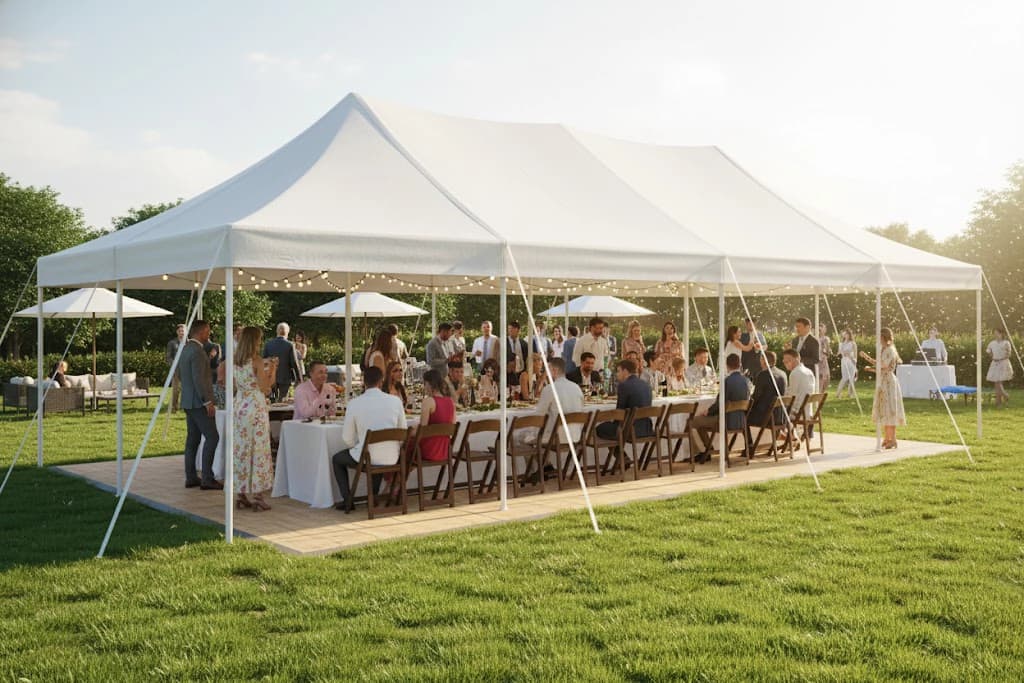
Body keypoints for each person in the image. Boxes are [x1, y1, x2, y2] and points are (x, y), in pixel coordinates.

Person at [331, 366, 407, 511]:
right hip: (392, 456)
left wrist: (357, 447)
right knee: (373, 455)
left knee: (337, 459)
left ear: (363, 382)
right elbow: (402, 432)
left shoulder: (354, 403)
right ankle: (373, 497)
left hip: (369, 456)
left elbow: (347, 438)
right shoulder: (395, 401)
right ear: (381, 381)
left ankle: (348, 500)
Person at [233, 326, 275, 510]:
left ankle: (241, 493)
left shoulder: (235, 360)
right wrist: (272, 369)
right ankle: (258, 496)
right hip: (255, 406)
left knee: (242, 449)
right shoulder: (256, 360)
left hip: (240, 404)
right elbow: (265, 387)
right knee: (259, 450)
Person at [180, 320, 221, 490]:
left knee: (193, 439)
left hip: (188, 400)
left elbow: (180, 374)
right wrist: (207, 401)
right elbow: (199, 379)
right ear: (201, 331)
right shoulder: (197, 351)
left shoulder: (185, 349)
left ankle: (191, 476)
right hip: (199, 402)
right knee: (212, 437)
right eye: (207, 331)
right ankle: (207, 478)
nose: (209, 334)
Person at [689, 353, 751, 463]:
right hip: (741, 421)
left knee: (693, 421)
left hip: (725, 421)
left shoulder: (727, 381)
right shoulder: (746, 381)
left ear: (727, 365)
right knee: (700, 423)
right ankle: (708, 450)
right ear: (739, 364)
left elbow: (720, 403)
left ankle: (706, 450)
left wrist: (708, 412)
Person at [860, 328, 906, 448]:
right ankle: (888, 438)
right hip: (884, 381)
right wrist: (868, 361)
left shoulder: (890, 350)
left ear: (884, 338)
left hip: (889, 383)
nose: (878, 339)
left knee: (890, 410)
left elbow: (884, 365)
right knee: (885, 410)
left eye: (880, 337)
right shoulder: (884, 349)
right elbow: (880, 365)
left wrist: (869, 362)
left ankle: (892, 439)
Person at [532, 358, 585, 445]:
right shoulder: (576, 387)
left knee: (517, 437)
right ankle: (543, 458)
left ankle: (541, 458)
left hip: (555, 438)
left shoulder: (549, 389)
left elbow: (539, 415)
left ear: (554, 370)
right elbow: (582, 409)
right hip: (576, 436)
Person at [596, 359, 653, 440]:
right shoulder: (646, 385)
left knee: (597, 428)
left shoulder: (624, 385)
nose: (617, 374)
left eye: (618, 371)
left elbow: (619, 412)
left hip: (629, 429)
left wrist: (613, 425)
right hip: (646, 429)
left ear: (625, 371)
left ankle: (618, 452)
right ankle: (618, 452)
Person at [417, 369, 457, 462]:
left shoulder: (428, 401)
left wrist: (409, 431)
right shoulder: (450, 402)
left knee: (403, 448)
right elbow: (452, 425)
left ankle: (395, 476)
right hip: (445, 450)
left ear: (430, 384)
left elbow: (423, 430)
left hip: (429, 450)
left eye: (425, 384)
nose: (424, 387)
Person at [747, 351, 788, 427]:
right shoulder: (783, 373)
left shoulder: (763, 374)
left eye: (761, 359)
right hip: (780, 415)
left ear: (763, 360)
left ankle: (749, 439)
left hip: (766, 416)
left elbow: (755, 397)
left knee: (743, 416)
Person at [262, 322, 301, 401]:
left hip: (270, 376)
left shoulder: (268, 344)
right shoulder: (290, 344)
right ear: (287, 332)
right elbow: (294, 363)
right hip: (285, 376)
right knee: (283, 400)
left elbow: (264, 361)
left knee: (272, 399)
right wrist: (299, 378)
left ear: (277, 331)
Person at [782, 348, 817, 428]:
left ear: (797, 359)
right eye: (784, 360)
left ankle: (784, 434)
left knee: (772, 410)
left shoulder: (794, 373)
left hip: (797, 413)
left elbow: (791, 397)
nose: (785, 362)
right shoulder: (809, 371)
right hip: (808, 412)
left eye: (788, 360)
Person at [986, 327, 1013, 406]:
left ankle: (1004, 396)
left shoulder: (1006, 343)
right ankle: (999, 401)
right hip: (995, 363)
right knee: (996, 383)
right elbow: (988, 350)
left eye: (998, 333)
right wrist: (992, 357)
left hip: (1003, 363)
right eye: (995, 334)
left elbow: (1009, 354)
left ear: (1002, 334)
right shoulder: (992, 343)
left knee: (998, 382)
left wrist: (1001, 358)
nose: (996, 335)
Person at [166, 323, 186, 412]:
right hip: (177, 369)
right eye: (180, 331)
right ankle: (174, 407)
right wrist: (173, 365)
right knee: (176, 389)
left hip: (188, 369)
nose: (182, 333)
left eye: (183, 331)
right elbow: (168, 357)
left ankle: (186, 407)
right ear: (177, 332)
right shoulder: (172, 343)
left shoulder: (190, 343)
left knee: (187, 389)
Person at [506, 321, 529, 389]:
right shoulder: (503, 341)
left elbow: (526, 359)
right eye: (509, 329)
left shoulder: (524, 343)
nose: (510, 331)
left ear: (518, 330)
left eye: (512, 329)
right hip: (508, 373)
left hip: (521, 373)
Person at [836, 328, 858, 399]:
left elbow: (855, 354)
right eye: (845, 334)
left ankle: (850, 394)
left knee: (851, 378)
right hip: (844, 361)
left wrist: (854, 361)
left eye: (847, 334)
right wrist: (841, 351)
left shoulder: (853, 343)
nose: (846, 335)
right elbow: (838, 353)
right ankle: (838, 393)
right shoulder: (841, 343)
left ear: (849, 335)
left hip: (851, 361)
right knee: (845, 377)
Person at [817, 324, 832, 390]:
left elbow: (828, 351)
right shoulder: (815, 338)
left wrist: (827, 351)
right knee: (821, 377)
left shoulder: (825, 339)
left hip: (823, 360)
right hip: (817, 360)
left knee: (826, 377)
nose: (819, 331)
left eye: (821, 329)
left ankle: (821, 392)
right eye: (819, 329)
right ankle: (819, 392)